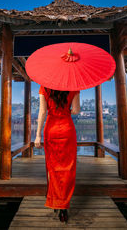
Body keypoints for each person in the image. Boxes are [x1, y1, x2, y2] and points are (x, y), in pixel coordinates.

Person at [34, 84, 80, 223]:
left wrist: (37, 136)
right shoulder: (74, 86)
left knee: (52, 167)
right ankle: (63, 207)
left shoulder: (44, 87)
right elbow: (76, 111)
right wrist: (65, 110)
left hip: (51, 129)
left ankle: (55, 201)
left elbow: (42, 112)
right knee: (67, 168)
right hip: (67, 128)